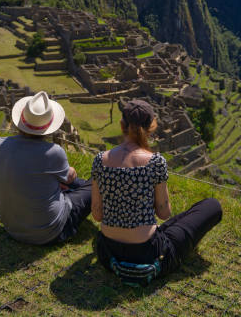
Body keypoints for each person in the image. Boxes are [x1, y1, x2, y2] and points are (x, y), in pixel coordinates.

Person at [91, 99, 222, 285]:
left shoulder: (99, 160)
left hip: (108, 254)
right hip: (148, 255)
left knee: (168, 227)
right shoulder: (155, 162)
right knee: (212, 205)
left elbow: (97, 215)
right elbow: (164, 213)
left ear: (122, 126)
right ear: (151, 127)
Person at [0, 91, 92, 244]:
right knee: (96, 183)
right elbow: (70, 177)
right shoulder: (53, 152)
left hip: (11, 227)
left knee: (79, 185)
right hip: (50, 233)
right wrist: (71, 172)